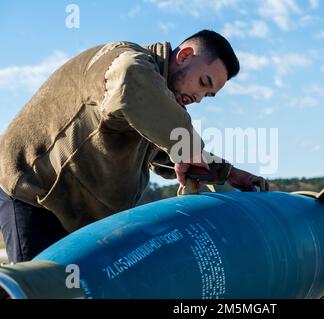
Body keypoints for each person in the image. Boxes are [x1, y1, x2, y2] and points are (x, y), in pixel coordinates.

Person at [0, 30, 269, 263]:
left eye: (208, 96)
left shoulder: (154, 108)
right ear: (185, 55)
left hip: (79, 217)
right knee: (39, 288)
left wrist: (228, 174)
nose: (199, 98)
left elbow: (169, 153)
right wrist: (188, 149)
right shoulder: (126, 62)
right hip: (33, 195)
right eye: (203, 83)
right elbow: (131, 81)